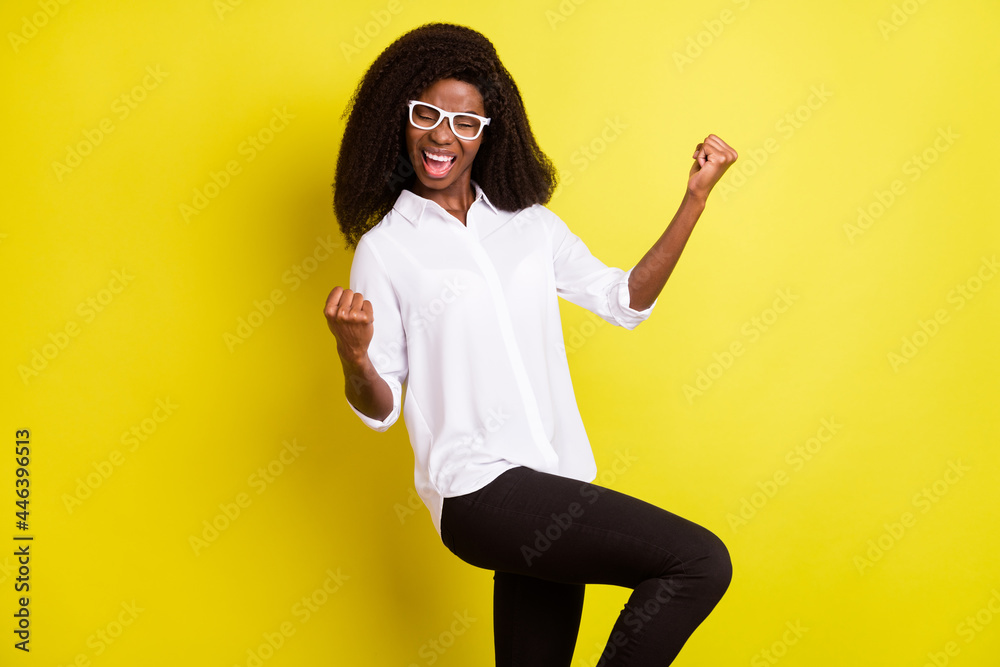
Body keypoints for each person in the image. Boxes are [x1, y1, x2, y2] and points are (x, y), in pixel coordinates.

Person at [325, 22, 738, 666]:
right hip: (480, 491)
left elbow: (624, 301)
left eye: (465, 122)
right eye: (427, 114)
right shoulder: (387, 249)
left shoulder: (532, 228)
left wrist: (694, 200)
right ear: (399, 119)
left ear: (489, 134)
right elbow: (379, 407)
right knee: (697, 562)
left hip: (554, 479)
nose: (442, 136)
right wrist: (354, 356)